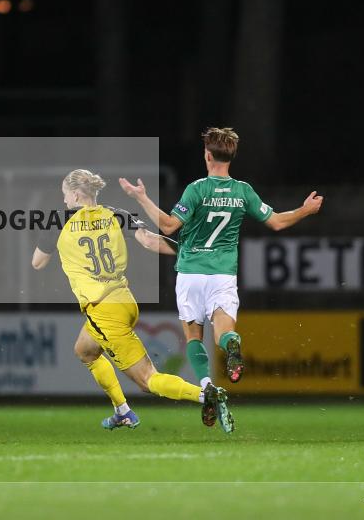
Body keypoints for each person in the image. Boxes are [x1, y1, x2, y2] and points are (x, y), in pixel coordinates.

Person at [120, 127, 323, 392]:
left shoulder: (197, 189)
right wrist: (305, 210)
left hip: (191, 273)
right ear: (231, 156)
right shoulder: (243, 191)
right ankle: (231, 345)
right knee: (223, 335)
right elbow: (276, 222)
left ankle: (207, 386)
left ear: (207, 155)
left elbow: (169, 227)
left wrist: (142, 197)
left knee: (194, 337)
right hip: (223, 275)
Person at [32, 169, 233, 433]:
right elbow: (149, 241)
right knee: (85, 350)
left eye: (65, 195)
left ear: (77, 194)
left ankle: (207, 395)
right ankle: (123, 411)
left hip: (103, 310)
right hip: (124, 301)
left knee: (148, 380)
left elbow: (37, 263)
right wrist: (186, 252)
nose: (64, 200)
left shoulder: (59, 222)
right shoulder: (116, 214)